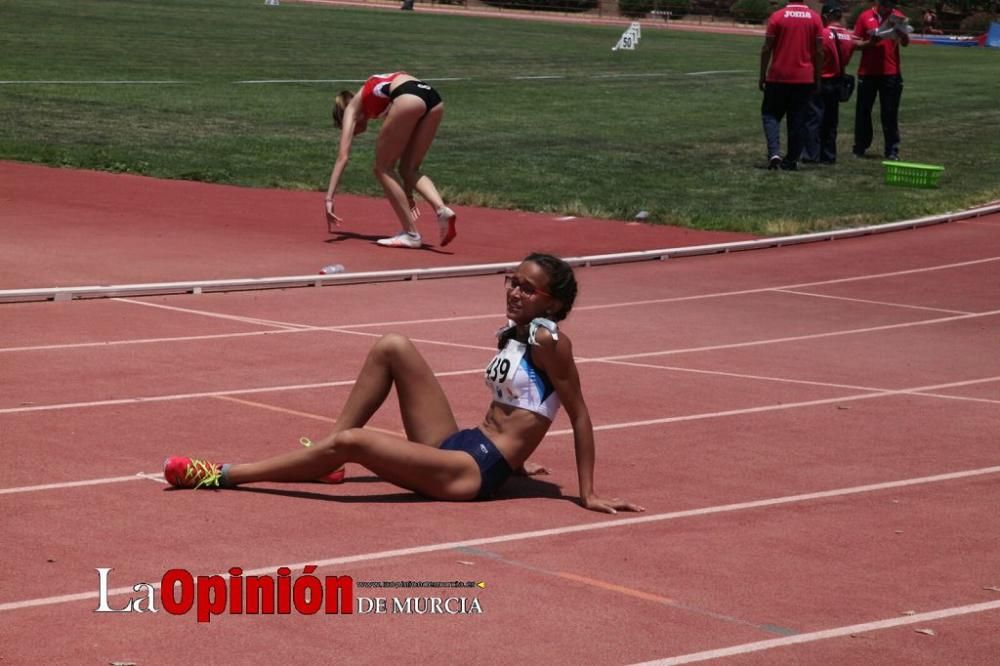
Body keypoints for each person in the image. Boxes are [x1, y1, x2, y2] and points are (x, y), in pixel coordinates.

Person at [163, 253, 645, 515]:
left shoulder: (550, 340)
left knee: (355, 443)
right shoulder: (514, 333)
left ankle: (219, 474)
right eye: (511, 281)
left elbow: (578, 413)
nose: (513, 291)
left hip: (472, 472)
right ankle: (326, 464)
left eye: (526, 288)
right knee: (392, 345)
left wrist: (587, 493)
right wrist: (520, 459)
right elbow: (521, 409)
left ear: (552, 303)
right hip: (462, 444)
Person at [325, 72, 457, 249]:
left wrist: (329, 199)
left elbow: (343, 156)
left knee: (382, 168)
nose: (354, 133)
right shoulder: (381, 100)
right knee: (409, 168)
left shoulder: (352, 109)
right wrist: (408, 195)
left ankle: (411, 234)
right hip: (432, 97)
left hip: (407, 96)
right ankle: (442, 210)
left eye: (350, 129)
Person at [759, 0, 824, 171]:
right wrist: (818, 77)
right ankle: (792, 159)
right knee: (798, 120)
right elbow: (819, 51)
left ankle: (774, 153)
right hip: (804, 77)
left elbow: (767, 47)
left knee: (770, 115)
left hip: (778, 76)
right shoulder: (815, 18)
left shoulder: (777, 16)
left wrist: (762, 75)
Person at [852, 0, 910, 161]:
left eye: (891, 5)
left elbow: (905, 43)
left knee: (890, 112)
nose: (888, 8)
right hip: (867, 72)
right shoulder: (865, 16)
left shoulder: (897, 17)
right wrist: (869, 43)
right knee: (863, 111)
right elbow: (854, 43)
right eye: (886, 5)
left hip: (891, 73)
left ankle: (892, 150)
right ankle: (860, 146)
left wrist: (902, 34)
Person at [803, 2, 858, 164]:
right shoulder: (848, 36)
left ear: (826, 16)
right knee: (831, 120)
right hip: (838, 81)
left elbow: (815, 55)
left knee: (813, 119)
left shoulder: (823, 34)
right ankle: (829, 155)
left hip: (822, 79)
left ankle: (811, 154)